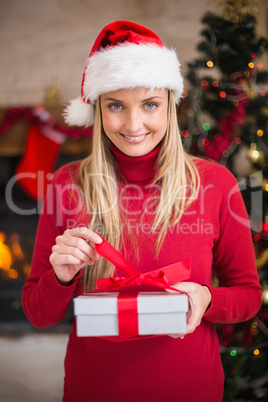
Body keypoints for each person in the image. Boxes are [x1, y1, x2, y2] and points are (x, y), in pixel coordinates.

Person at [22, 20, 262, 402]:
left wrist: (206, 299)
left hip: (192, 390)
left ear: (169, 105)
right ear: (98, 110)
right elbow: (39, 314)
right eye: (116, 105)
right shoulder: (67, 184)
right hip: (93, 391)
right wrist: (62, 276)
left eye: (149, 105)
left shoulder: (215, 183)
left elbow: (248, 295)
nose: (134, 125)